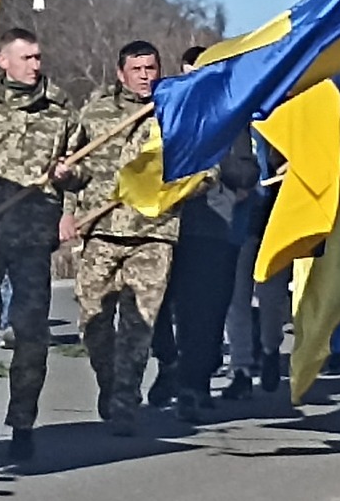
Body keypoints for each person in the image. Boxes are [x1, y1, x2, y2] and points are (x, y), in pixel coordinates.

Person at [0, 27, 79, 460]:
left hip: (31, 239)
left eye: (39, 58)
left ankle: (23, 421)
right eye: (26, 58)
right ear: (3, 61)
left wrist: (68, 181)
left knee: (31, 334)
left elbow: (82, 168)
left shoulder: (58, 111)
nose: (35, 65)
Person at [70, 41, 178, 436]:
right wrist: (68, 209)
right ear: (121, 73)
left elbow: (204, 169)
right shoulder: (96, 113)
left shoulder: (173, 111)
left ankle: (125, 400)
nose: (146, 75)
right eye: (137, 69)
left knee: (139, 324)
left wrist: (187, 185)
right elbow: (73, 164)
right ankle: (111, 382)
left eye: (151, 67)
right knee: (93, 317)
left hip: (153, 232)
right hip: (102, 229)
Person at [169, 131, 260, 423]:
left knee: (208, 310)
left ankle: (193, 385)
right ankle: (170, 362)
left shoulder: (231, 118)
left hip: (213, 227)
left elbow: (247, 171)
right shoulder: (168, 107)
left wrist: (216, 167)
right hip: (163, 225)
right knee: (160, 308)